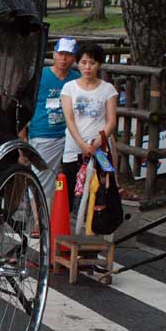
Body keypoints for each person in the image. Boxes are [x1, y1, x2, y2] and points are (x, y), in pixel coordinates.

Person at [21, 37, 81, 210]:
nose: (63, 59)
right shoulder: (39, 76)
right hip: (43, 133)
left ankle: (62, 212)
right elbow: (25, 105)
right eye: (60, 54)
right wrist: (22, 134)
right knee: (41, 176)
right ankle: (40, 219)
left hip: (70, 134)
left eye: (69, 55)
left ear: (74, 57)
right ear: (54, 54)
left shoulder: (76, 79)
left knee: (69, 176)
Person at [60, 43, 118, 209]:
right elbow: (69, 119)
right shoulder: (69, 88)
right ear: (78, 63)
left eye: (92, 63)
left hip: (98, 145)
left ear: (98, 64)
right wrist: (81, 144)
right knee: (71, 185)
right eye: (84, 62)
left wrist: (98, 142)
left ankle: (96, 222)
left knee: (99, 187)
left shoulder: (108, 89)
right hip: (74, 146)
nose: (87, 67)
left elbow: (111, 121)